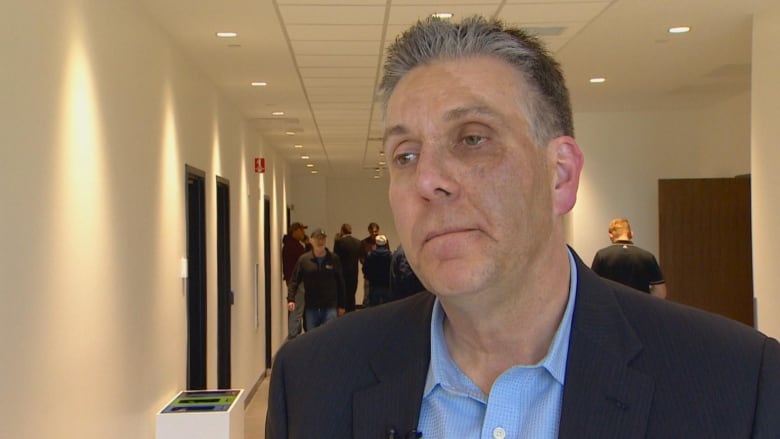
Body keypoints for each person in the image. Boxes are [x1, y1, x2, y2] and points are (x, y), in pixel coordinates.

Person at [267, 16, 780, 438]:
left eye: (472, 139)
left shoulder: (735, 383)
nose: (427, 180)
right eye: (405, 154)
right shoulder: (314, 379)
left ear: (560, 176)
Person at [287, 227, 346, 331]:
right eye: (317, 238)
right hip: (311, 307)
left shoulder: (333, 259)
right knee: (311, 337)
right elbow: (294, 280)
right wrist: (291, 299)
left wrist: (342, 305)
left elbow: (340, 282)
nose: (320, 241)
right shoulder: (304, 260)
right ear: (311, 240)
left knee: (329, 335)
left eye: (323, 239)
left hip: (330, 306)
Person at [591, 218, 668, 298]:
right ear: (631, 234)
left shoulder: (602, 255)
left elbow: (592, 287)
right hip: (639, 307)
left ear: (610, 234)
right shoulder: (648, 257)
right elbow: (660, 292)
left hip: (612, 307)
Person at [281, 222, 307, 339]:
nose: (303, 233)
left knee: (297, 309)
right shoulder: (292, 246)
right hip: (296, 282)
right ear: (295, 230)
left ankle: (294, 334)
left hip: (295, 281)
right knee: (296, 310)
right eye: (302, 230)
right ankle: (293, 335)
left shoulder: (294, 244)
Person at [333, 223, 363, 312]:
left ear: (342, 230)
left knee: (342, 297)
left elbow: (335, 258)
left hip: (342, 274)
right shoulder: (358, 242)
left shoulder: (339, 242)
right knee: (351, 296)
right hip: (354, 273)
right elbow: (361, 258)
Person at [362, 234, 393, 306]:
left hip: (374, 285)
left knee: (374, 308)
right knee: (387, 307)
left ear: (376, 244)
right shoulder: (390, 256)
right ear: (385, 244)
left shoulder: (370, 255)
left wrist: (369, 277)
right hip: (386, 285)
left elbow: (365, 269)